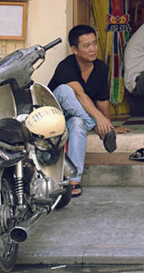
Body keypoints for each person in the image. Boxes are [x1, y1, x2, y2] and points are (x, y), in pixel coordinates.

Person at [49, 24, 117, 197]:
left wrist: (108, 125)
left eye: (94, 43)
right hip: (55, 115)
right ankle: (93, 124)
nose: (93, 49)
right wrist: (98, 122)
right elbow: (79, 95)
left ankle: (73, 180)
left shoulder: (100, 68)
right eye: (87, 46)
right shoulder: (66, 66)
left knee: (78, 124)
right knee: (66, 90)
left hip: (75, 117)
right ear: (75, 49)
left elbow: (102, 100)